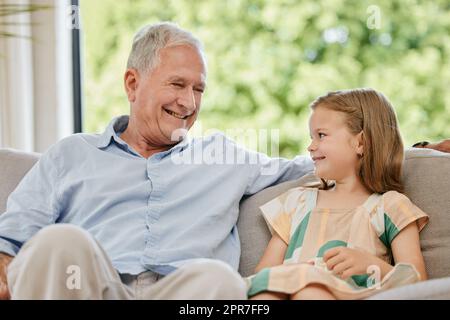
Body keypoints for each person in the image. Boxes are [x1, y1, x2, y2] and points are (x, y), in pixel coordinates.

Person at [0, 22, 315, 300]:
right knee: (60, 241)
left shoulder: (223, 156)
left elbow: (314, 166)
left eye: (198, 89)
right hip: (93, 289)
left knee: (218, 279)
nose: (189, 102)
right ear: (132, 84)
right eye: (177, 84)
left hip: (183, 296)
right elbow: (11, 238)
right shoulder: (71, 154)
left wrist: (357, 137)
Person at [247, 89, 429, 300]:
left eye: (321, 135)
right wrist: (297, 274)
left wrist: (372, 266)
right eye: (311, 137)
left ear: (360, 142)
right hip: (287, 292)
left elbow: (419, 283)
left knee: (311, 292)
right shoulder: (297, 201)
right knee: (266, 294)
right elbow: (264, 275)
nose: (310, 146)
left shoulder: (390, 206)